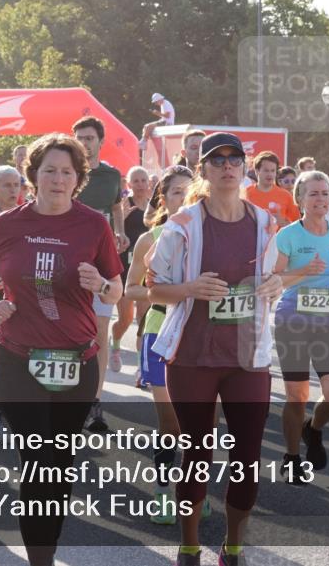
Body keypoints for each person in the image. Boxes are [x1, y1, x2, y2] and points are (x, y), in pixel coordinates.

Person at [0, 133, 123, 566]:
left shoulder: (94, 225)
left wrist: (101, 284)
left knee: (60, 462)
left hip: (77, 361)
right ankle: (41, 560)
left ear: (78, 178)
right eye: (49, 170)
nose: (57, 179)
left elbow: (116, 288)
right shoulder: (6, 224)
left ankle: (46, 550)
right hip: (17, 359)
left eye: (66, 172)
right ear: (33, 176)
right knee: (37, 459)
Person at [146, 132, 283, 566]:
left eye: (234, 159)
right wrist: (190, 288)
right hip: (192, 356)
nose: (227, 166)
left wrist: (276, 284)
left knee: (247, 456)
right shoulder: (183, 224)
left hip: (247, 358)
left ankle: (233, 547)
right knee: (197, 452)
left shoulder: (265, 222)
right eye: (217, 160)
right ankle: (189, 546)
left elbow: (273, 276)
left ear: (244, 168)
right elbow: (153, 287)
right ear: (202, 169)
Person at [123, 165, 196, 522]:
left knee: (202, 424)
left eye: (190, 191)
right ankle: (164, 491)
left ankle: (194, 490)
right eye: (177, 192)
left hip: (202, 334)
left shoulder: (211, 236)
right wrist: (173, 293)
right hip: (160, 333)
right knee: (171, 423)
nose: (184, 198)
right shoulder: (149, 239)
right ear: (164, 200)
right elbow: (130, 289)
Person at [274, 170, 329, 484]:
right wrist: (305, 270)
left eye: (325, 193)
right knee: (297, 396)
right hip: (293, 320)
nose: (321, 199)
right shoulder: (288, 235)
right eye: (314, 193)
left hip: (328, 320)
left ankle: (313, 429)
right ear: (300, 199)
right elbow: (275, 280)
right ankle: (292, 456)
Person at [72, 116, 128, 433]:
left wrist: (119, 231)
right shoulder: (68, 172)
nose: (84, 142)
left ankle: (94, 401)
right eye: (80, 137)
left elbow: (116, 206)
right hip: (68, 262)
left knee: (100, 331)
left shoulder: (111, 176)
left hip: (102, 262)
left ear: (101, 141)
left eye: (90, 137)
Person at [110, 166, 152, 374]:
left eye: (143, 180)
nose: (140, 184)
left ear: (149, 183)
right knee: (125, 319)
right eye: (136, 181)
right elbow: (112, 234)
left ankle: (140, 367)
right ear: (129, 184)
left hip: (147, 267)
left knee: (143, 319)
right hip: (126, 268)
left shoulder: (155, 207)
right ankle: (115, 344)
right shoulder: (124, 205)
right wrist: (121, 220)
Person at [243, 151, 300, 228]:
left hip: (279, 236)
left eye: (273, 171)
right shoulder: (245, 194)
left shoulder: (286, 196)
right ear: (257, 171)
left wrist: (282, 223)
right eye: (266, 170)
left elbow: (298, 226)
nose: (270, 174)